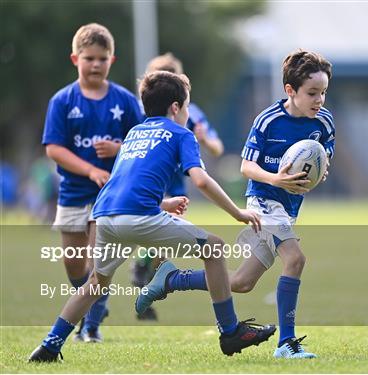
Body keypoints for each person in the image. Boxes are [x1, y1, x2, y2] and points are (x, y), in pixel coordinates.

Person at [29, 70, 276, 363]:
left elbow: (127, 183)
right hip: (139, 217)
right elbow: (200, 180)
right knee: (215, 247)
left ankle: (49, 344)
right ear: (175, 107)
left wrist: (163, 204)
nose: (187, 114)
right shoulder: (181, 133)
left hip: (105, 216)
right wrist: (237, 212)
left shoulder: (134, 133)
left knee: (95, 283)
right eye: (186, 107)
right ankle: (230, 332)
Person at [137, 50, 335, 359]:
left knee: (242, 282)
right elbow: (246, 167)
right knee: (295, 259)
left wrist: (317, 174)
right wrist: (275, 179)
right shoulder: (269, 120)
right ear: (290, 91)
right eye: (312, 93)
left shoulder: (324, 122)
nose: (319, 99)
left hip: (289, 207)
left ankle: (172, 279)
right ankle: (287, 343)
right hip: (264, 201)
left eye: (323, 92)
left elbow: (322, 159)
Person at [41, 23, 144, 343]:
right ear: (76, 59)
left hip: (111, 197)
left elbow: (143, 142)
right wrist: (90, 170)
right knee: (74, 265)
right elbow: (54, 148)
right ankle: (92, 307)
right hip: (73, 194)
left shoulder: (125, 101)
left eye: (102, 58)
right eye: (89, 58)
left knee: (98, 264)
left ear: (112, 60)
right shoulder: (63, 101)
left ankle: (91, 326)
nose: (96, 64)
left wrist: (119, 150)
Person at [131, 53, 225, 321]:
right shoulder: (142, 113)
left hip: (175, 180)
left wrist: (204, 141)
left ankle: (146, 279)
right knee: (159, 231)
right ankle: (144, 270)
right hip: (151, 179)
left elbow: (217, 148)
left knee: (163, 238)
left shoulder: (190, 112)